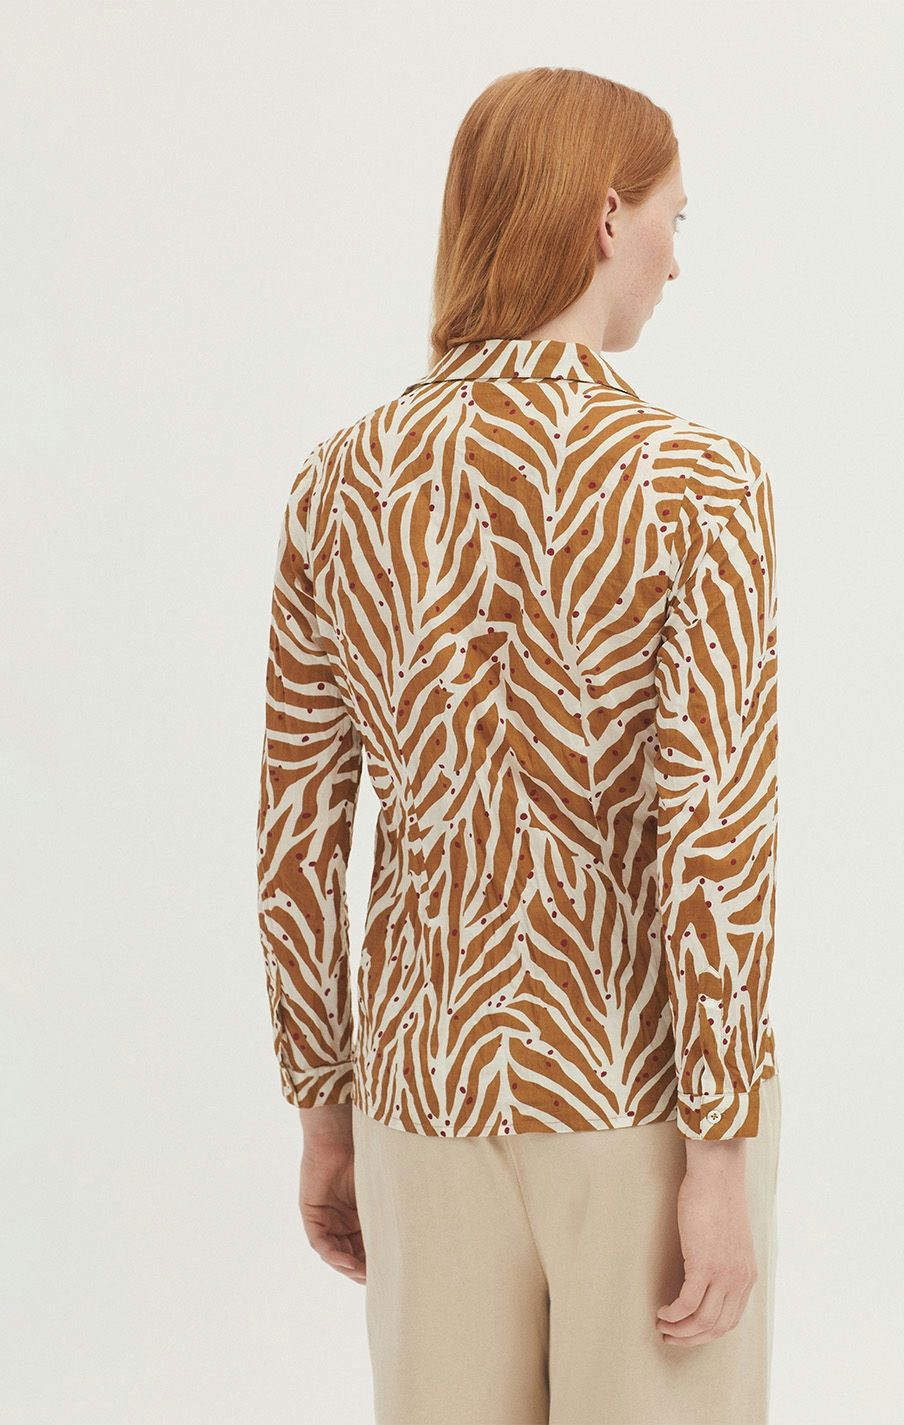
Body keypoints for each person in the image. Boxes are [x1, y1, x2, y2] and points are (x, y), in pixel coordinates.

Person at [256, 65, 781, 1425]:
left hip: (420, 1093)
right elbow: (713, 833)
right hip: (634, 1093)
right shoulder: (699, 483)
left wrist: (324, 1106)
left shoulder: (341, 482)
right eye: (672, 215)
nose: (677, 257)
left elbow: (298, 835)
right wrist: (721, 1153)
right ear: (607, 217)